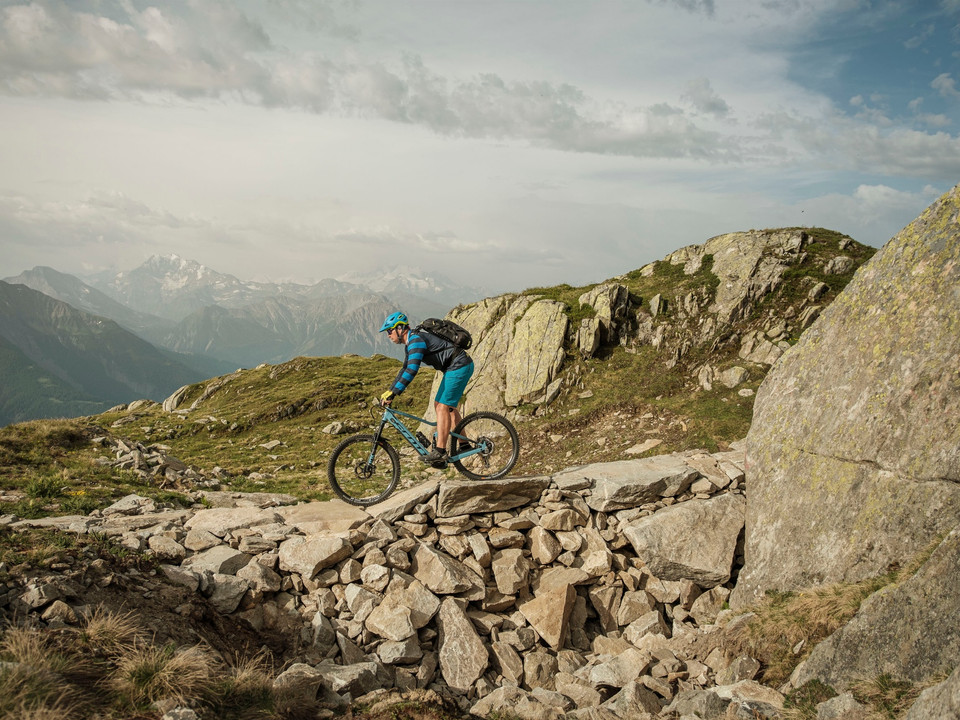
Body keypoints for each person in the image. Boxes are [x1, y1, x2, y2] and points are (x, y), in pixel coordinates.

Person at [379, 311, 474, 465]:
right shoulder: (411, 343)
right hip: (454, 368)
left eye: (389, 331)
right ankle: (464, 444)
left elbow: (412, 370)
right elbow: (404, 369)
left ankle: (440, 452)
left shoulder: (416, 341)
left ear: (400, 328)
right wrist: (390, 391)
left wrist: (394, 393)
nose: (388, 335)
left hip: (459, 366)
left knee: (443, 407)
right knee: (441, 406)